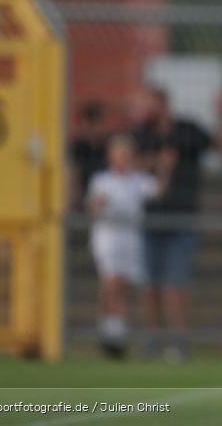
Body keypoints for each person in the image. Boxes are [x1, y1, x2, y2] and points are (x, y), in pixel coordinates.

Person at [132, 87, 214, 361]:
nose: (143, 109)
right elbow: (131, 164)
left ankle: (179, 341)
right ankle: (152, 340)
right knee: (150, 284)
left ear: (162, 104)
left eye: (147, 102)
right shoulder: (141, 135)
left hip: (181, 217)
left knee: (176, 283)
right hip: (149, 218)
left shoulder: (187, 129)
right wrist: (159, 162)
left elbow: (217, 145)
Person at [87, 134, 169, 358]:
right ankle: (109, 332)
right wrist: (97, 204)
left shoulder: (138, 180)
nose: (123, 159)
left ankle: (118, 335)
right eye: (119, 154)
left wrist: (163, 167)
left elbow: (158, 191)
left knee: (125, 287)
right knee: (111, 283)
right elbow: (93, 207)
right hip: (108, 237)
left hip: (131, 238)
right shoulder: (101, 180)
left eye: (127, 154)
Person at [71, 101, 110, 211]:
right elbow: (74, 173)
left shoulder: (107, 148)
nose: (101, 129)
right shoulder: (77, 148)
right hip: (83, 203)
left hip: (106, 202)